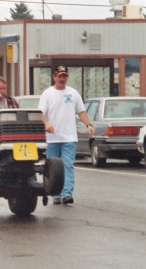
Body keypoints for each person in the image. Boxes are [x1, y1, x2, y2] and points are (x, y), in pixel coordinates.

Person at [38, 65, 94, 205]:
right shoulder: (47, 94)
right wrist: (47, 124)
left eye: (64, 76)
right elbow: (40, 113)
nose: (62, 79)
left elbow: (81, 111)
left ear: (67, 77)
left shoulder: (73, 93)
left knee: (67, 165)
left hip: (69, 137)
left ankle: (67, 193)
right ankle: (55, 194)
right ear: (54, 77)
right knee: (54, 167)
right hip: (53, 138)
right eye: (59, 76)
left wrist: (89, 124)